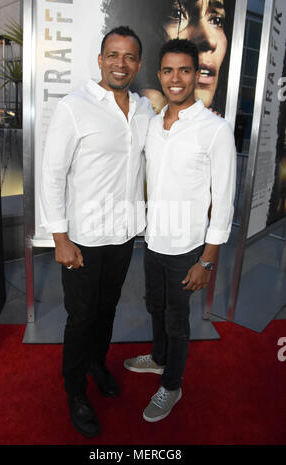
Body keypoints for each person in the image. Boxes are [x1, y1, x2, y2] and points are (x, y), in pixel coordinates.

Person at [40, 26, 154, 437]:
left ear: (138, 64)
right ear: (100, 59)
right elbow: (52, 175)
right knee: (81, 317)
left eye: (128, 57)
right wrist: (60, 238)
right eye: (112, 55)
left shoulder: (144, 110)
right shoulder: (75, 106)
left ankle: (96, 364)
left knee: (107, 311)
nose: (120, 63)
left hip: (123, 237)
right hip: (83, 239)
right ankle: (75, 392)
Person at [124, 38, 236, 422]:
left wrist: (206, 261)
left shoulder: (215, 130)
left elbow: (223, 202)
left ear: (196, 75)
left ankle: (172, 384)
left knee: (177, 320)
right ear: (159, 74)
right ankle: (158, 359)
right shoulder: (153, 125)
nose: (176, 78)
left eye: (184, 70)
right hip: (153, 240)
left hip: (188, 248)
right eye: (168, 70)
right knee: (154, 305)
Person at [102, 0, 233, 114]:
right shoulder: (147, 118)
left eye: (216, 20)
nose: (209, 40)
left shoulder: (218, 130)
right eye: (177, 15)